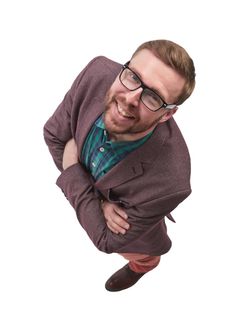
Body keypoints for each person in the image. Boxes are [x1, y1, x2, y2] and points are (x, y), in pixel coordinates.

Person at [43, 39, 196, 292]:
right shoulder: (97, 73)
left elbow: (106, 240)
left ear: (166, 114)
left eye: (153, 96)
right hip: (117, 205)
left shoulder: (172, 182)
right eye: (134, 77)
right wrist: (98, 203)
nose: (130, 99)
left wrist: (72, 169)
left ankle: (145, 265)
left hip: (138, 228)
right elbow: (53, 135)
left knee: (138, 252)